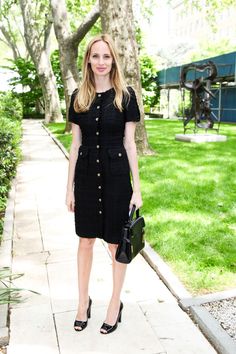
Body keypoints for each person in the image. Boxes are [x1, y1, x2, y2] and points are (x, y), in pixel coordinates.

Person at [66, 33, 142, 335]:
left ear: (113, 60)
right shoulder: (78, 96)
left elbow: (130, 143)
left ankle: (114, 303)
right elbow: (75, 145)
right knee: (84, 241)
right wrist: (69, 187)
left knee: (114, 245)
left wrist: (137, 187)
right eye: (95, 56)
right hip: (85, 177)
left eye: (106, 56)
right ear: (88, 59)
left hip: (116, 178)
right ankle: (83, 302)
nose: (100, 62)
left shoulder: (126, 95)